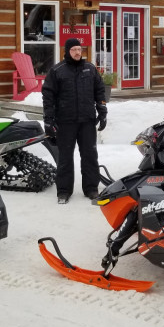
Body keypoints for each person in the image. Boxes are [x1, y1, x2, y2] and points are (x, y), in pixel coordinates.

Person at [42, 38, 108, 204]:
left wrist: (102, 111)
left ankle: (92, 189)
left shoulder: (90, 69)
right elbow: (48, 96)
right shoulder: (58, 70)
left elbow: (100, 91)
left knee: (90, 155)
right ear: (67, 51)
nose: (78, 52)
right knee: (65, 157)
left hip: (87, 121)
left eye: (79, 49)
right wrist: (48, 120)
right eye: (74, 50)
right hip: (66, 121)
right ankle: (63, 191)